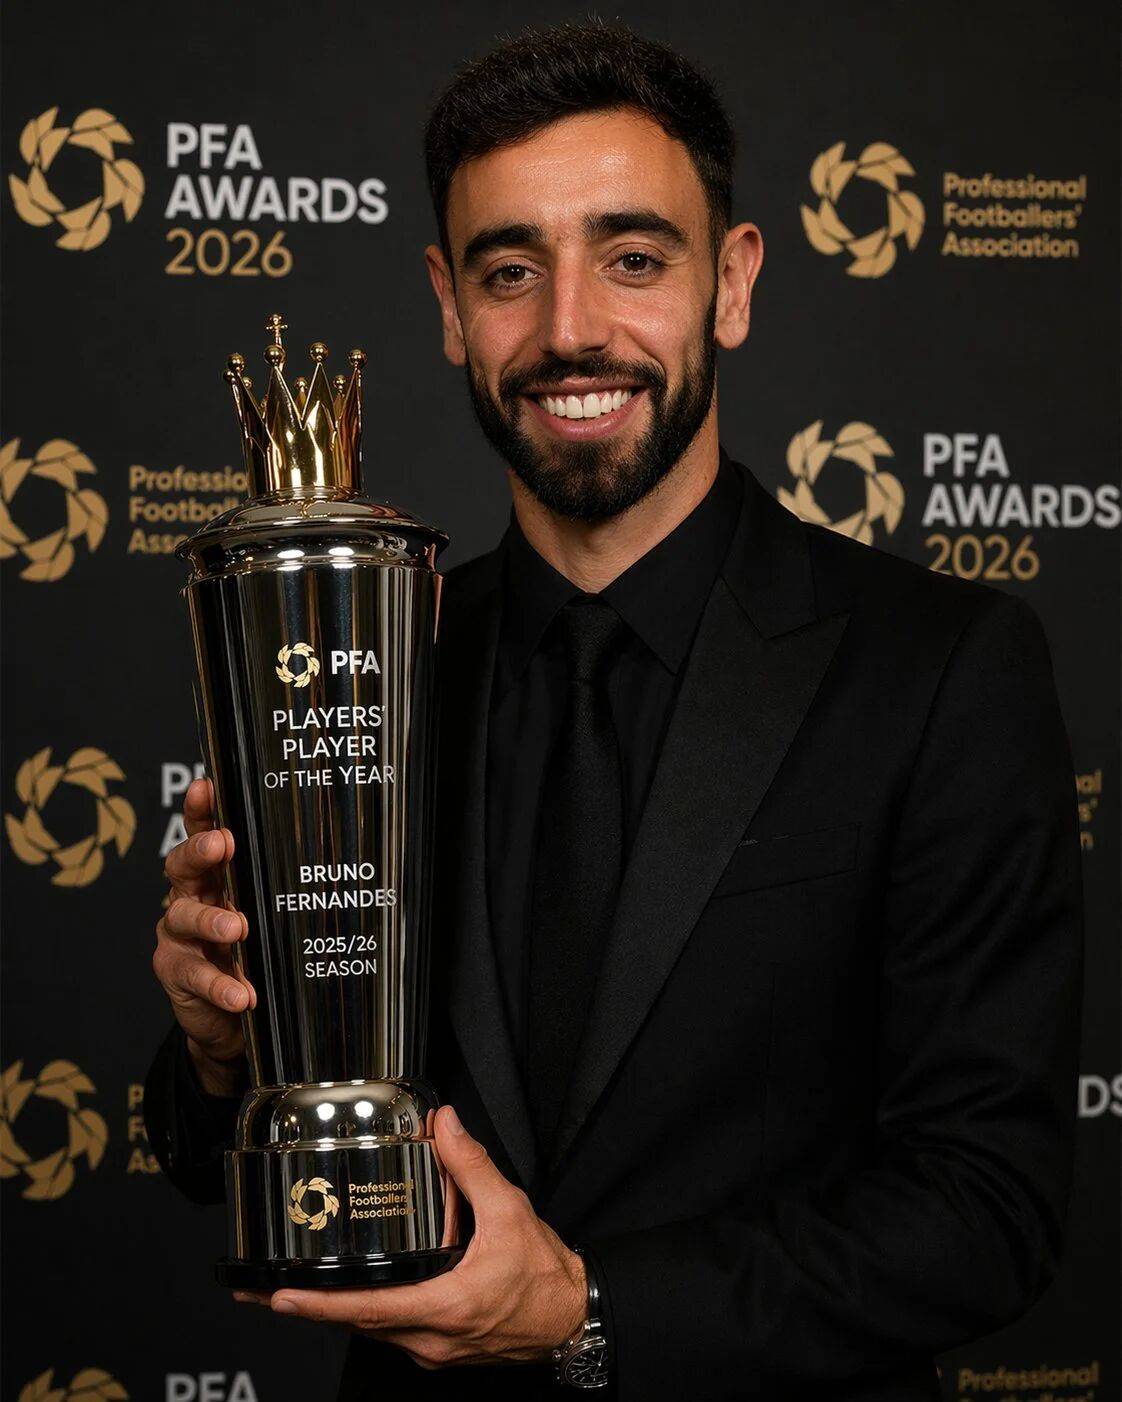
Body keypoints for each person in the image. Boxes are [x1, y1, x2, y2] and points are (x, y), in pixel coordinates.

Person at [144, 21, 1084, 1401]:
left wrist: (584, 1310)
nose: (570, 328)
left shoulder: (940, 669)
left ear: (732, 282)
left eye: (633, 258)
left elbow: (987, 1209)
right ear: (449, 307)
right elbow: (207, 1149)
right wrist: (223, 1045)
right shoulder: (359, 662)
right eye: (509, 270)